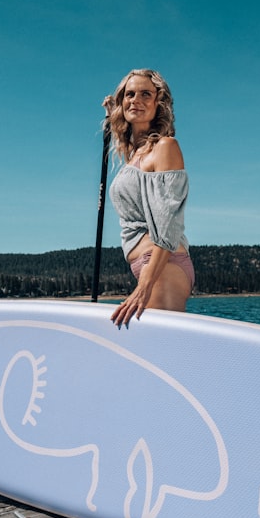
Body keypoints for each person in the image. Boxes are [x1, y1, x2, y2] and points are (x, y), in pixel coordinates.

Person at [104, 69, 194, 327]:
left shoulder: (165, 147)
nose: (136, 100)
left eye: (146, 94)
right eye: (129, 95)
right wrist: (113, 116)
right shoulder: (135, 154)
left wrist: (145, 284)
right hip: (149, 267)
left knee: (165, 355)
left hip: (163, 266)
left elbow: (169, 224)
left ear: (159, 103)